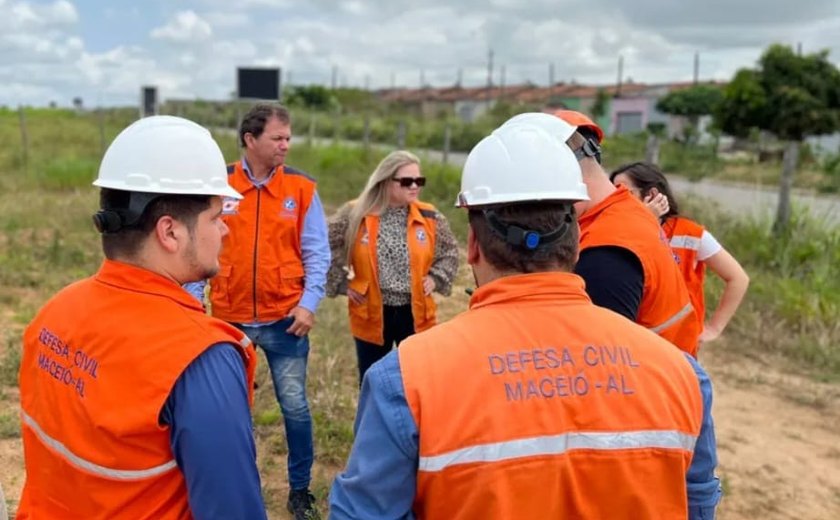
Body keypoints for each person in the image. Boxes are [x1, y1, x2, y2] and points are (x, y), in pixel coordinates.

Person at [329, 115, 721, 519]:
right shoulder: (684, 377)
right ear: (573, 241)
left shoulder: (406, 381)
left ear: (473, 245)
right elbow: (698, 503)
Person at [17, 116, 266, 519]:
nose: (224, 231)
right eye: (216, 217)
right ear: (170, 233)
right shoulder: (200, 358)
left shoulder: (54, 312)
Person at [187, 103, 329, 520]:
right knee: (228, 412)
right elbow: (199, 248)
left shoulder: (301, 189)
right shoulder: (221, 185)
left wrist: (309, 304)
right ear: (250, 140)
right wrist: (196, 306)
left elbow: (317, 251)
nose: (286, 145)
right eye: (277, 138)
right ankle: (236, 484)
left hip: (287, 322)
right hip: (228, 323)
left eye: (288, 138)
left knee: (296, 408)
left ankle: (300, 491)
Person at [543, 110, 702, 356]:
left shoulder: (606, 249)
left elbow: (598, 362)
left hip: (652, 383)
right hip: (674, 372)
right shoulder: (627, 208)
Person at [326, 150, 459, 383]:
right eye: (407, 181)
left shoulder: (430, 215)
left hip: (415, 312)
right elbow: (323, 245)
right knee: (372, 381)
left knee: (417, 380)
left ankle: (413, 421)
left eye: (420, 181)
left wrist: (436, 278)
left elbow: (450, 252)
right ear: (386, 182)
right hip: (372, 311)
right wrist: (342, 283)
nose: (415, 186)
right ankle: (374, 420)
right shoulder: (355, 213)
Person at [611, 161, 750, 344]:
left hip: (678, 345)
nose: (618, 199)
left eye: (626, 193)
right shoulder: (615, 230)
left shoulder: (690, 234)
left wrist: (714, 329)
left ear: (652, 195)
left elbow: (738, 278)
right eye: (614, 193)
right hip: (632, 340)